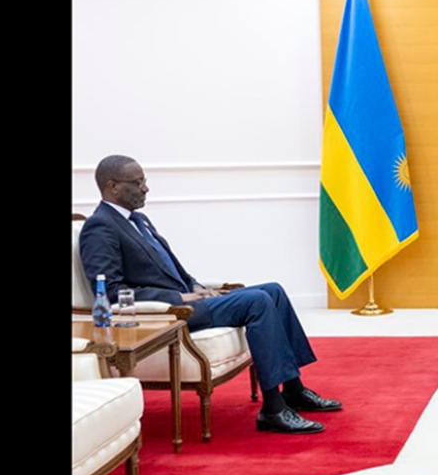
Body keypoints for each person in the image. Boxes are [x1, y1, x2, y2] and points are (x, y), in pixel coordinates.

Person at [79, 155, 342, 434]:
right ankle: (273, 409)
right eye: (137, 182)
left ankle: (293, 389)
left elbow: (169, 268)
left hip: (189, 302)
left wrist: (195, 286)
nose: (145, 188)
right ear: (113, 187)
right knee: (258, 301)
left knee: (273, 291)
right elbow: (109, 292)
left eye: (144, 181)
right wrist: (177, 299)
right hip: (168, 316)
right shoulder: (100, 227)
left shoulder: (138, 220)